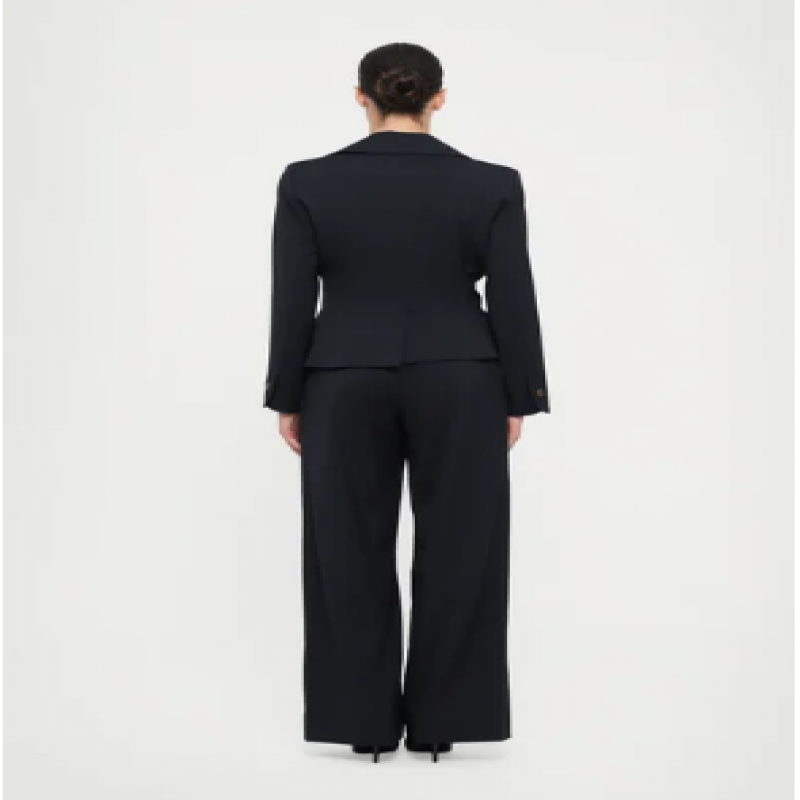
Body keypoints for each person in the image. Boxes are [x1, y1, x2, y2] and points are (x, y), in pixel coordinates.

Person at [262, 42, 550, 763]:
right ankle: (442, 721)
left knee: (344, 547)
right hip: (462, 376)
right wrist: (519, 392)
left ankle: (361, 722)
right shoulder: (492, 184)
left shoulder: (307, 182)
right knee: (464, 547)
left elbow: (293, 297)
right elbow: (512, 294)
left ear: (360, 95)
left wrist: (288, 393)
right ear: (438, 98)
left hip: (342, 375)